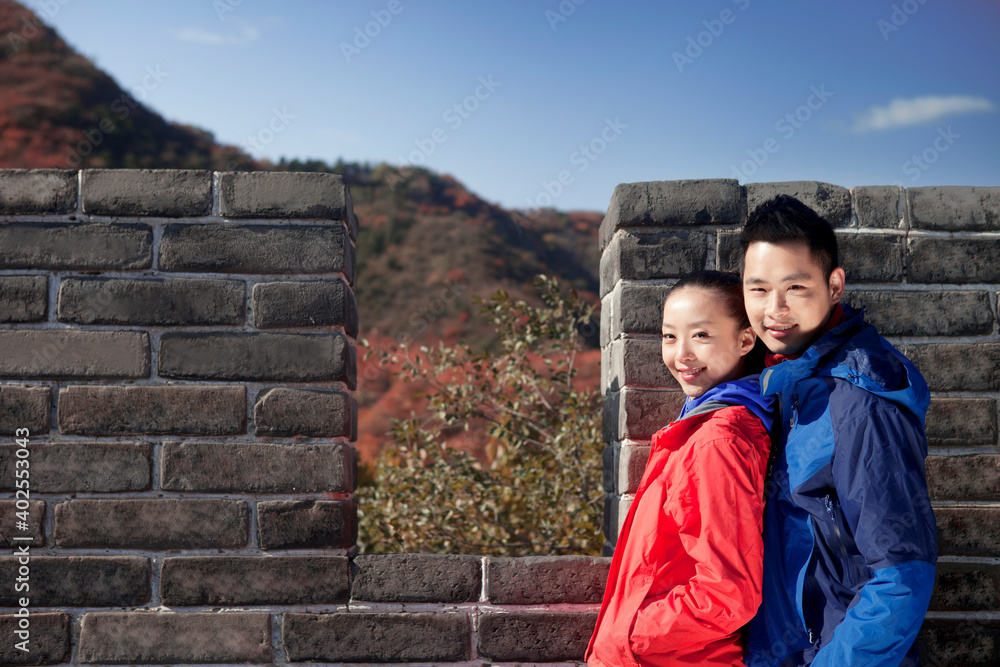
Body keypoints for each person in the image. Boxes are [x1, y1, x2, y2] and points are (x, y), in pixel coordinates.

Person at [740, 195, 937, 667]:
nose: (775, 309)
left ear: (834, 285)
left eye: (796, 288)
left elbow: (902, 573)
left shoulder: (860, 400)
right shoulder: (789, 377)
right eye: (759, 290)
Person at [587, 270, 774, 667]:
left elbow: (727, 593)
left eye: (701, 335)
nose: (682, 354)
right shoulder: (701, 426)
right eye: (670, 336)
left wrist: (631, 635)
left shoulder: (718, 440)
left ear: (745, 340)